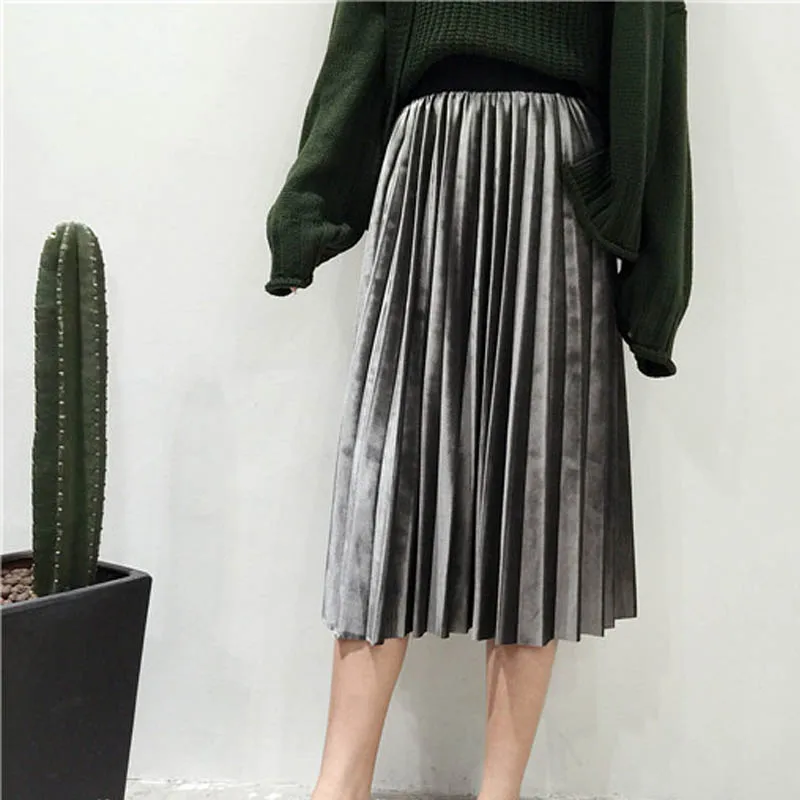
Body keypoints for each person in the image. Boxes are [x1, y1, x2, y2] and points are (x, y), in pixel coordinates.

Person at [264, 2, 692, 797]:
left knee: (538, 490)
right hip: (426, 158)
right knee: (388, 479)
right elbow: (366, 27)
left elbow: (651, 47)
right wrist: (311, 205)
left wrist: (655, 270)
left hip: (557, 172)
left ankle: (501, 791)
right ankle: (339, 784)